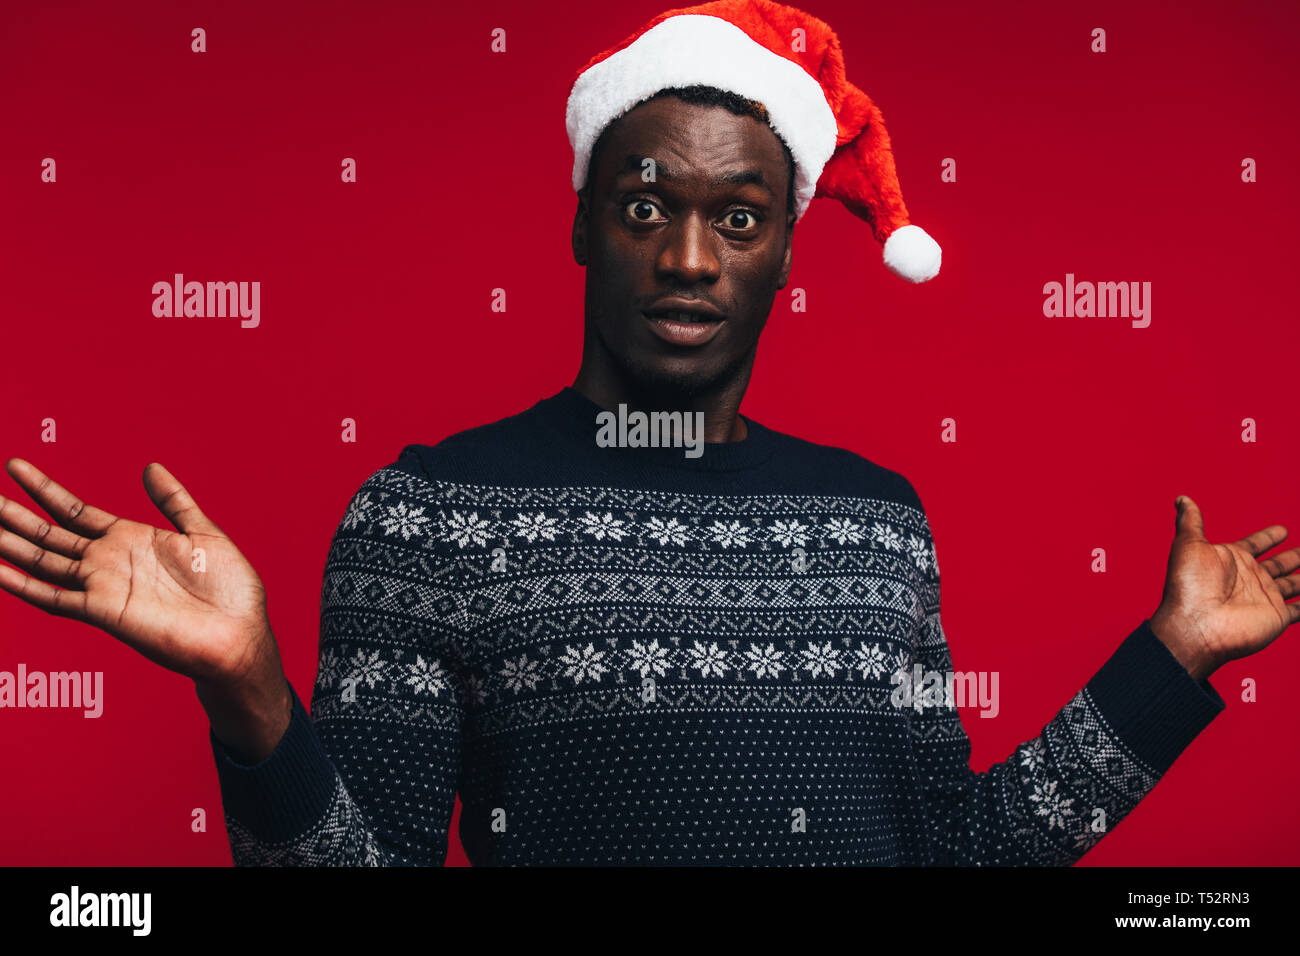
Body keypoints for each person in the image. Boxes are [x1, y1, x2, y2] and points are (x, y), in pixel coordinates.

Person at [1, 0, 1295, 866]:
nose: (687, 255)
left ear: (786, 249)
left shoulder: (874, 521)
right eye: (644, 204)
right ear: (579, 226)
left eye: (738, 217)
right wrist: (251, 693)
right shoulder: (430, 518)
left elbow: (960, 848)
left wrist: (1170, 656)